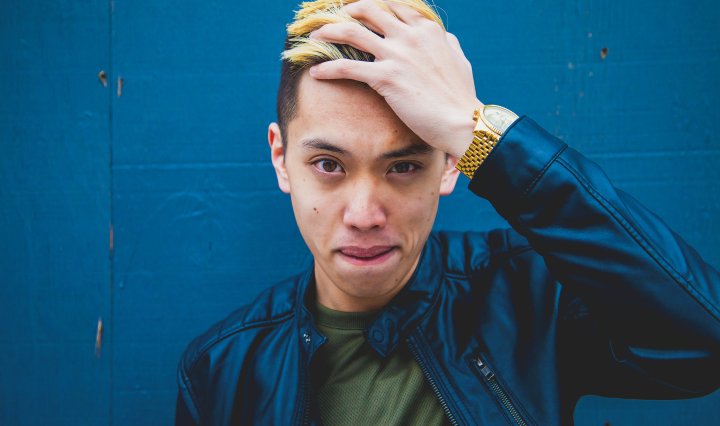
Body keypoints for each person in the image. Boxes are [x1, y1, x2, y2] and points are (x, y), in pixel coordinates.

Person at [175, 0, 720, 424]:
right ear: (281, 158)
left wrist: (478, 131)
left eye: (403, 166)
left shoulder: (529, 300)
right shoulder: (221, 369)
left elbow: (704, 345)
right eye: (328, 165)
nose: (364, 214)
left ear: (451, 163)